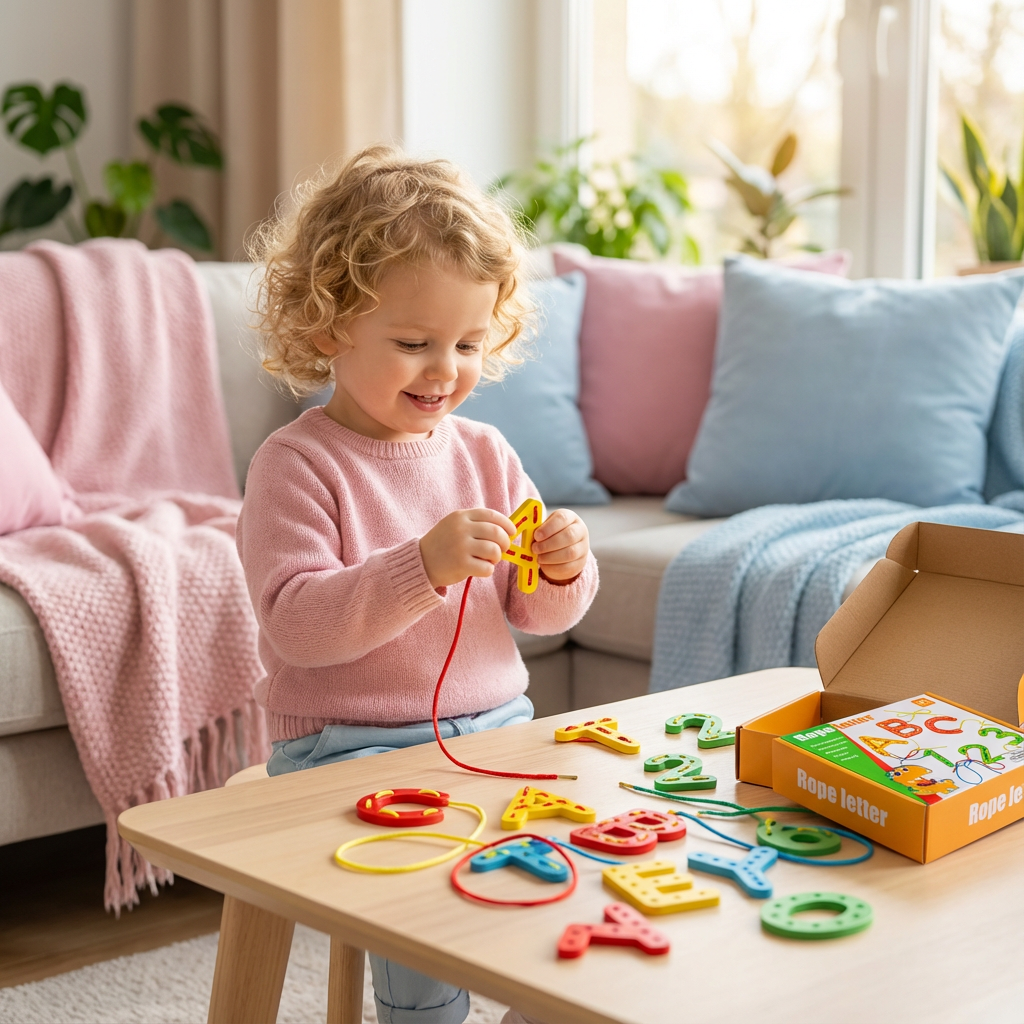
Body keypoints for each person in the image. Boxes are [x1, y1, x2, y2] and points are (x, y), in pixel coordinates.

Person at [238, 145, 598, 1024]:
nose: (446, 371)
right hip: (346, 746)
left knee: (590, 873)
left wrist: (563, 564)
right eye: (413, 343)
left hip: (500, 732)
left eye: (469, 344)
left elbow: (538, 611)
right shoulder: (296, 465)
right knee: (435, 904)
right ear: (329, 326)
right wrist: (421, 567)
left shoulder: (485, 453)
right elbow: (298, 627)